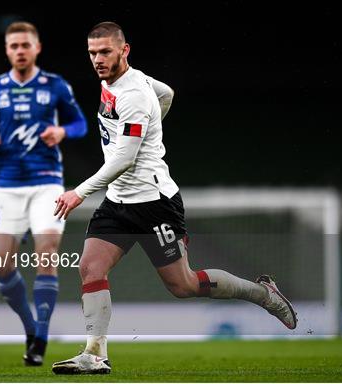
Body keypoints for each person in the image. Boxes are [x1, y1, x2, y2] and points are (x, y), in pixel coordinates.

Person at [51, 22, 297, 375]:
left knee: (184, 285)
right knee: (91, 267)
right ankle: (95, 353)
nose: (97, 59)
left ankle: (262, 293)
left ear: (125, 50)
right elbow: (166, 94)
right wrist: (155, 127)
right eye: (92, 53)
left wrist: (79, 192)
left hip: (154, 203)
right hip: (118, 203)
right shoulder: (118, 83)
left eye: (105, 52)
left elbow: (125, 159)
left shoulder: (134, 93)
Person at [0, 21, 88, 366]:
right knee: (0, 263)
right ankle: (30, 327)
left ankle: (41, 338)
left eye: (25, 45)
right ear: (7, 51)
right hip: (7, 185)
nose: (20, 51)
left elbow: (80, 123)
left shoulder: (55, 85)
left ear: (37, 48)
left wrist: (61, 130)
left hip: (46, 182)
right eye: (13, 46)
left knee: (47, 252)